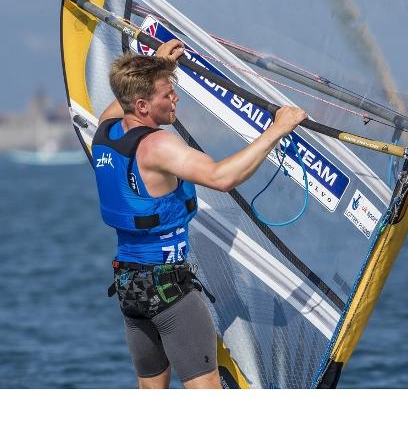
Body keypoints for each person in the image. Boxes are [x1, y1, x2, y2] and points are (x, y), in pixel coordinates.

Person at [91, 39, 307, 389]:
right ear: (143, 105)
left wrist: (159, 65)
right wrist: (278, 129)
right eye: (167, 93)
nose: (175, 98)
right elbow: (222, 178)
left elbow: (123, 101)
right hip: (168, 291)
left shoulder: (106, 132)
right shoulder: (158, 146)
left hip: (129, 288)